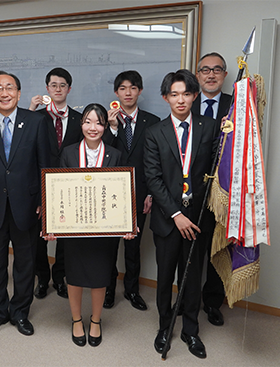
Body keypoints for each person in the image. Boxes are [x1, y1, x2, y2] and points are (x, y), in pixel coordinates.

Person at [45, 103, 135, 347]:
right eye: (87, 122)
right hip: (74, 229)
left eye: (98, 122)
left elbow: (123, 192)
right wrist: (52, 224)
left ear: (105, 126)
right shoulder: (69, 152)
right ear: (81, 125)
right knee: (73, 275)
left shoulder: (115, 155)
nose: (92, 127)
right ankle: (76, 319)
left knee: (99, 275)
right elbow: (57, 191)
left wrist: (127, 225)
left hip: (104, 230)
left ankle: (95, 320)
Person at [144, 69, 219, 359]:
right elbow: (153, 177)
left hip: (198, 218)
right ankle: (165, 327)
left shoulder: (210, 127)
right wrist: (176, 213)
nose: (180, 99)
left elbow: (214, 171)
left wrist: (191, 214)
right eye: (174, 94)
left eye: (186, 93)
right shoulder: (155, 132)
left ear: (194, 96)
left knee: (190, 277)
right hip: (168, 219)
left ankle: (190, 329)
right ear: (166, 97)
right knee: (165, 278)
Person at [0, 71, 50, 336]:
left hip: (26, 203)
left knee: (25, 262)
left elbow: (44, 165)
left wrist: (43, 200)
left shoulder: (36, 121)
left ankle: (20, 312)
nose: (5, 93)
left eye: (10, 87)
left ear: (19, 92)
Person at [102, 70, 160, 310]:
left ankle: (132, 290)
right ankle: (107, 289)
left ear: (140, 91)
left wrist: (150, 193)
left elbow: (155, 162)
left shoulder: (153, 121)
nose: (128, 92)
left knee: (133, 245)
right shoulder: (106, 121)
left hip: (139, 191)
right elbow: (102, 154)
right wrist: (113, 128)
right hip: (110, 192)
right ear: (116, 92)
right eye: (123, 88)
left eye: (133, 88)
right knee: (109, 245)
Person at [28, 67, 82, 299]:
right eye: (53, 85)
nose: (58, 89)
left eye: (62, 85)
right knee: (39, 234)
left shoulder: (81, 120)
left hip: (69, 185)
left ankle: (60, 277)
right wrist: (31, 109)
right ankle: (42, 277)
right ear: (47, 88)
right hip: (40, 183)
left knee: (65, 235)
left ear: (69, 89)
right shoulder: (36, 117)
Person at [190, 52, 231, 326]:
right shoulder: (186, 104)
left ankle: (213, 302)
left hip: (223, 191)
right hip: (192, 190)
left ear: (225, 75)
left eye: (217, 70)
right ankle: (186, 300)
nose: (211, 74)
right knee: (191, 251)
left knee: (217, 249)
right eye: (205, 70)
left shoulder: (236, 106)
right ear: (198, 75)